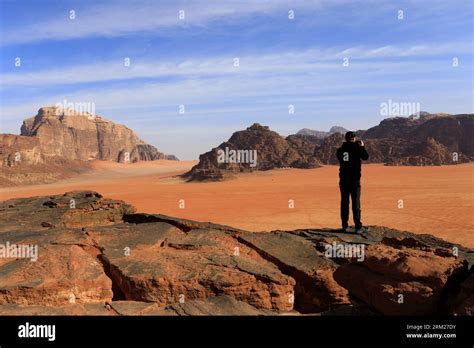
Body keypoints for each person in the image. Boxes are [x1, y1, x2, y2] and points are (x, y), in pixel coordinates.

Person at [336, 131, 369, 233]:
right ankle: (358, 227)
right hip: (355, 180)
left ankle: (344, 226)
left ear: (345, 139)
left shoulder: (340, 150)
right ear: (354, 138)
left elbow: (339, 157)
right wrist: (362, 146)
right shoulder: (357, 148)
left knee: (344, 203)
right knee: (356, 203)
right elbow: (365, 157)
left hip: (344, 180)